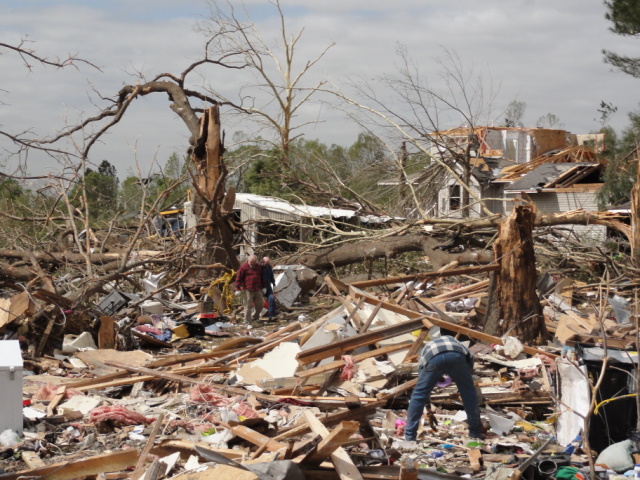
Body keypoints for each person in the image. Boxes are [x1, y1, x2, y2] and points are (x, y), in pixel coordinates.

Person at [405, 335, 484, 441]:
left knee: (418, 394)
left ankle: (410, 436)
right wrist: (465, 381)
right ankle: (475, 432)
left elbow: (423, 391)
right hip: (457, 356)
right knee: (468, 392)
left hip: (433, 358)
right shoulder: (457, 343)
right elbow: (470, 360)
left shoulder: (426, 348)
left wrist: (428, 409)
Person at [235, 254, 265, 323]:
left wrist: (264, 287)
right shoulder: (243, 267)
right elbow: (238, 278)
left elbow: (262, 277)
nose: (252, 264)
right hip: (247, 289)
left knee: (260, 304)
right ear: (248, 261)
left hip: (257, 288)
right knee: (247, 306)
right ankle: (248, 321)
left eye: (254, 262)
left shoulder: (258, 267)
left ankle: (255, 317)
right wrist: (237, 288)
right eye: (251, 263)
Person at [261, 256, 277, 321]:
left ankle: (271, 315)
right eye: (266, 264)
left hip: (268, 287)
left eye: (268, 263)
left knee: (271, 298)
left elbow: (271, 276)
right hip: (260, 287)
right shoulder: (259, 268)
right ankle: (256, 315)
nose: (267, 265)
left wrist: (274, 284)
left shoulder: (269, 267)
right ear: (263, 262)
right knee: (258, 302)